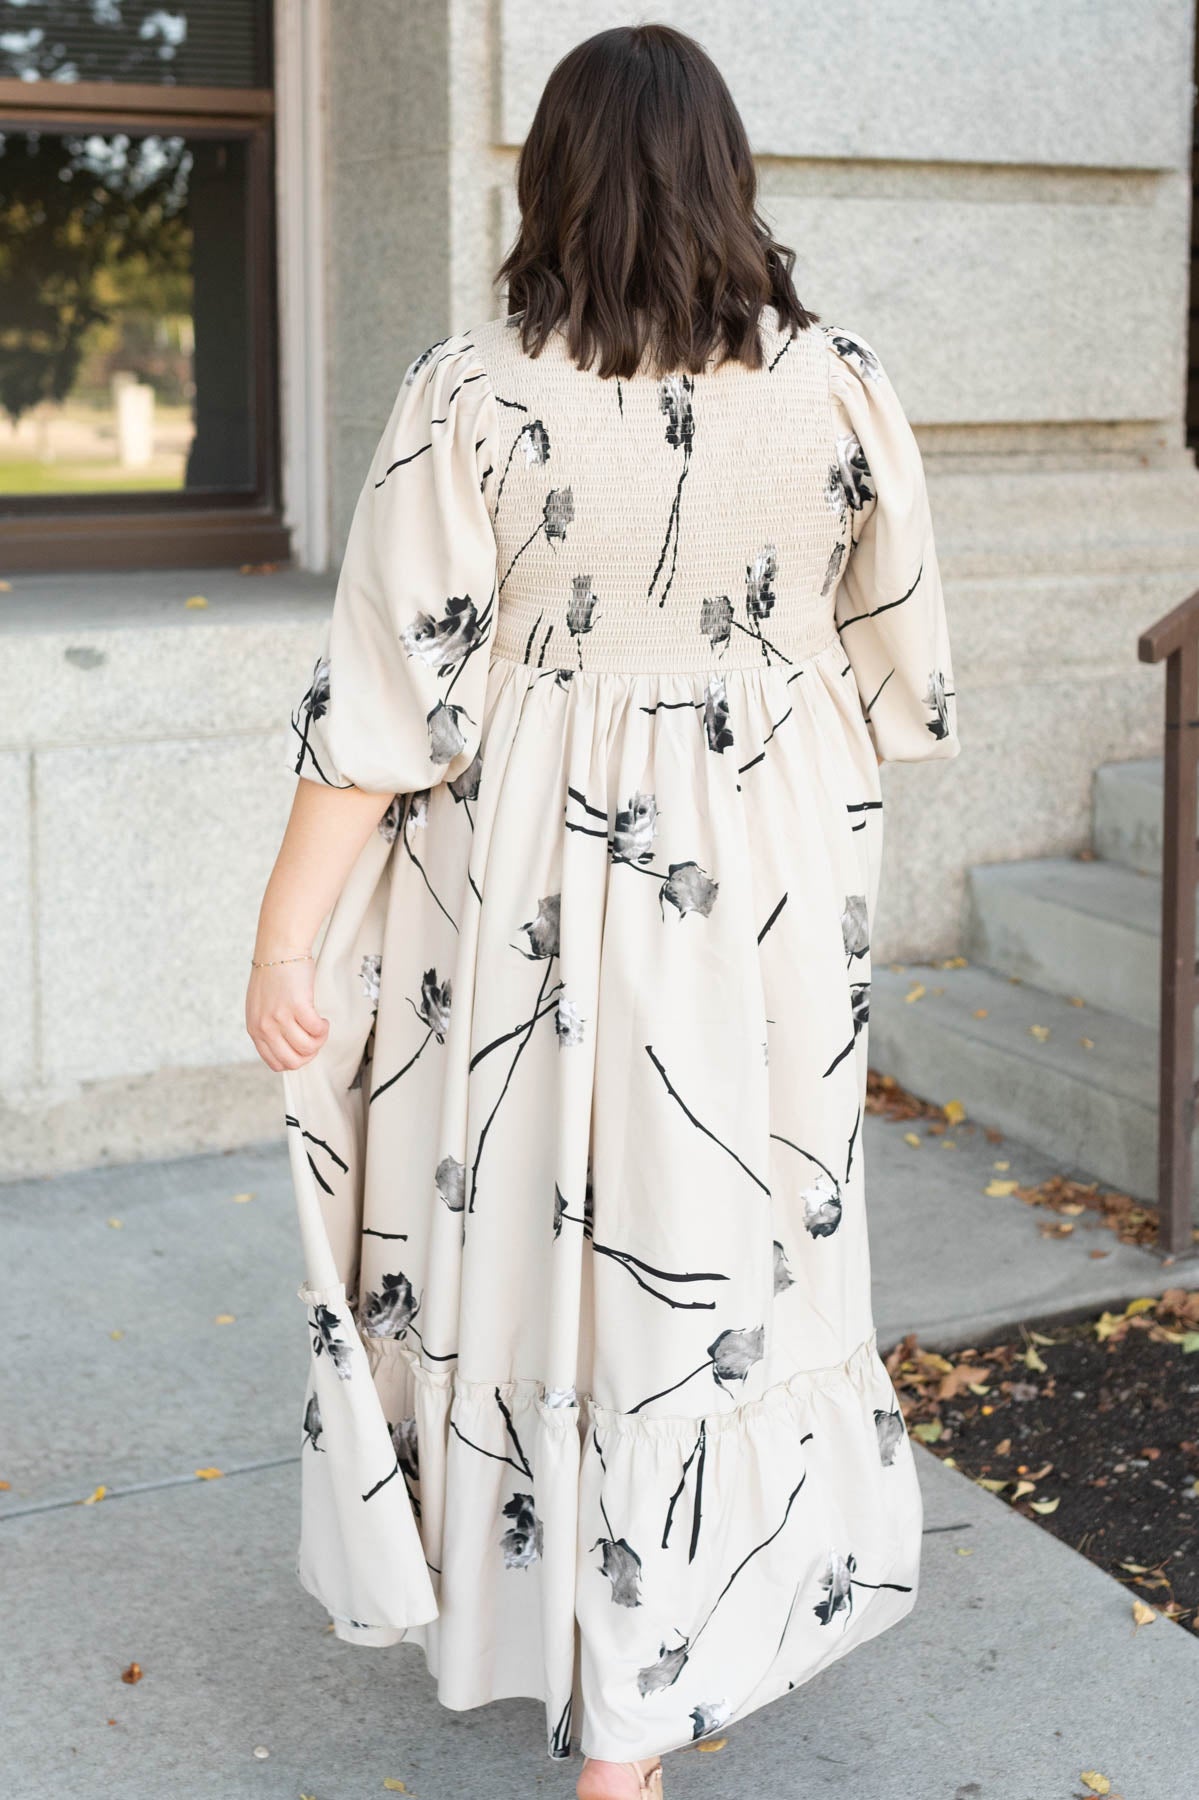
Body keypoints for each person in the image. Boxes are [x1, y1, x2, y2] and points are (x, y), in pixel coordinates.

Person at [246, 21, 959, 1799]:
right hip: (773, 882)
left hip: (538, 881)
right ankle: (660, 1671)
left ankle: (596, 1677)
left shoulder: (473, 392)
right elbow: (906, 676)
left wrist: (288, 939)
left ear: (544, 181)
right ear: (730, 176)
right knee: (723, 1239)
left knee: (555, 1230)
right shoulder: (845, 382)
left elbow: (384, 699)